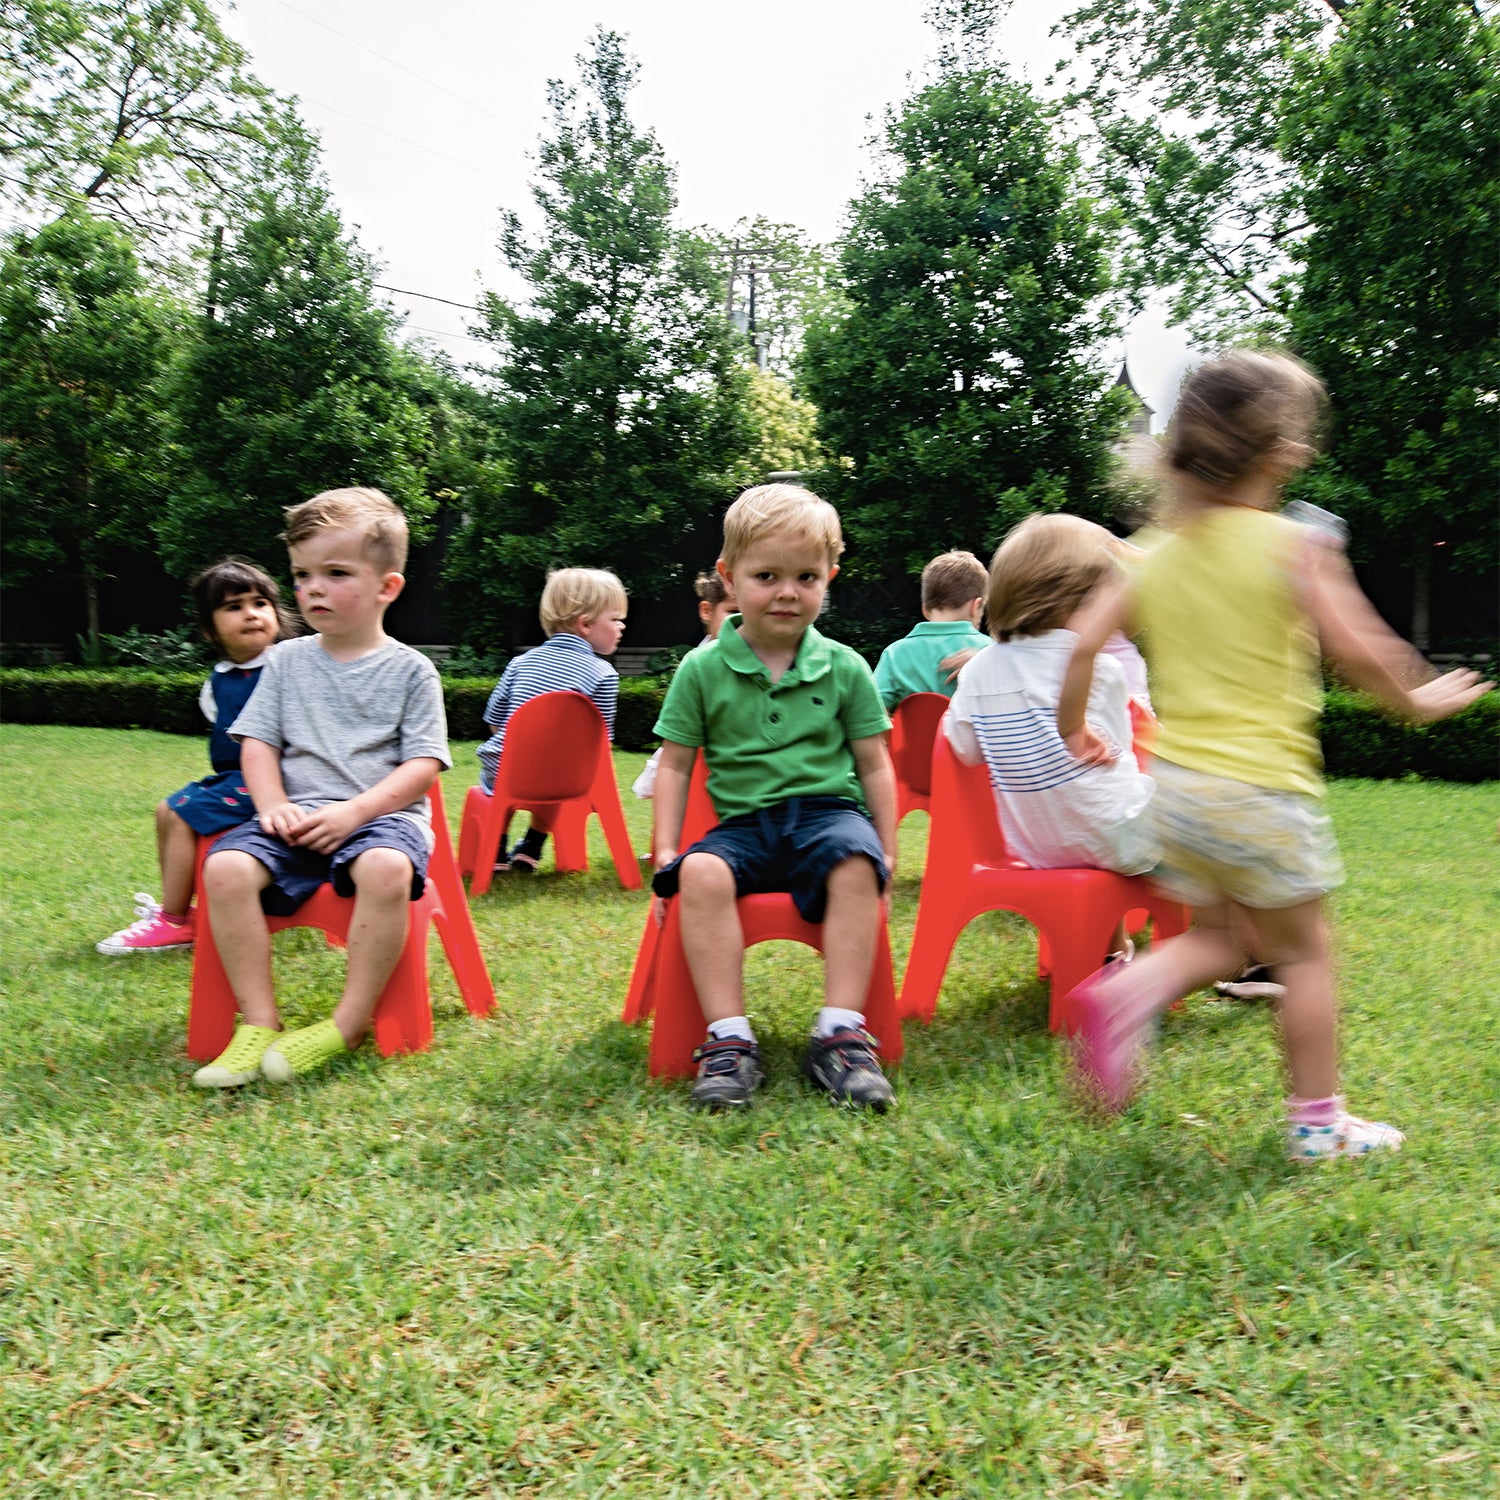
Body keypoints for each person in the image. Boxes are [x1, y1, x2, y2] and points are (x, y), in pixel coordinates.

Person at [1055, 351, 1489, 1157]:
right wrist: (1417, 699)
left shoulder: (1154, 550)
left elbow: (1081, 644)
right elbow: (1356, 649)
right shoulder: (1294, 545)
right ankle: (1318, 1125)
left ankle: (1126, 994)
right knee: (1304, 953)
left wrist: (1074, 727)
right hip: (1262, 792)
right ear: (1284, 453)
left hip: (1179, 795)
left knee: (1222, 939)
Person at [191, 487, 452, 1088]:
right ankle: (259, 1022)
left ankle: (347, 1023)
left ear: (387, 586)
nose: (313, 589)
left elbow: (423, 765)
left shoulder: (412, 670)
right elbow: (257, 745)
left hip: (382, 821)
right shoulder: (284, 661)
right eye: (302, 575)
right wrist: (272, 805)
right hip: (294, 817)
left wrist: (354, 814)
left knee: (385, 868)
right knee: (224, 868)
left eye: (336, 573)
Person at [650, 483, 898, 1111]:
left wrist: (887, 851)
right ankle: (728, 1039)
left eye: (806, 577)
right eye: (767, 576)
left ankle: (841, 1033)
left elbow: (874, 764)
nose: (787, 592)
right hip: (745, 826)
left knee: (856, 863)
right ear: (729, 578)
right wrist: (667, 851)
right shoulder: (701, 669)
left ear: (828, 579)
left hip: (829, 816)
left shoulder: (846, 666)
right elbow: (675, 766)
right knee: (699, 873)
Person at [946, 514, 1160, 889]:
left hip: (1037, 849)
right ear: (1079, 601)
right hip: (1122, 840)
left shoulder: (977, 669)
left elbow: (965, 750)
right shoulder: (1101, 668)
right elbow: (1125, 758)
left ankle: (1114, 939)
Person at [96, 558, 296, 955]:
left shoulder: (291, 664)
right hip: (235, 779)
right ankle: (179, 910)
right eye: (234, 607)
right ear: (209, 629)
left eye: (260, 603)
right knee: (165, 810)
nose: (251, 614)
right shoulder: (219, 679)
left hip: (281, 782)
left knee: (183, 812)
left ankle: (173, 923)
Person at [475, 568, 627, 872]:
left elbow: (494, 719)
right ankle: (532, 845)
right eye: (615, 619)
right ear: (585, 624)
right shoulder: (604, 674)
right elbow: (601, 743)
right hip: (566, 780)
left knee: (503, 774)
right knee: (560, 771)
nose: (621, 626)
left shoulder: (520, 663)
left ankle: (496, 848)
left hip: (508, 770)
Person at [633, 569, 737, 799]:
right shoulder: (698, 667)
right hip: (699, 784)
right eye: (734, 612)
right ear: (707, 611)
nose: (743, 622)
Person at [872, 549, 990, 709]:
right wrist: (986, 662)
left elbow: (871, 710)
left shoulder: (895, 654)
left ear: (925, 610)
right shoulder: (989, 651)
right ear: (976, 606)